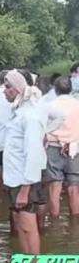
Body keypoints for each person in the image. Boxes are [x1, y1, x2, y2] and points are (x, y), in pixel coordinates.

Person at [3, 69, 47, 254]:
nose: (4, 91)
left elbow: (34, 154)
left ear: (17, 89)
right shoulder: (18, 112)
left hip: (24, 181)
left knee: (28, 226)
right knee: (21, 225)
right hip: (14, 178)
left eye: (7, 87)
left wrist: (25, 190)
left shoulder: (29, 116)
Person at [44, 76, 79, 219]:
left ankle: (55, 223)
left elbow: (44, 130)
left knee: (55, 187)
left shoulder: (50, 105)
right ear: (70, 89)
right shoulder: (77, 104)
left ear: (55, 90)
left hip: (54, 147)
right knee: (74, 187)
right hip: (75, 148)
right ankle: (75, 225)